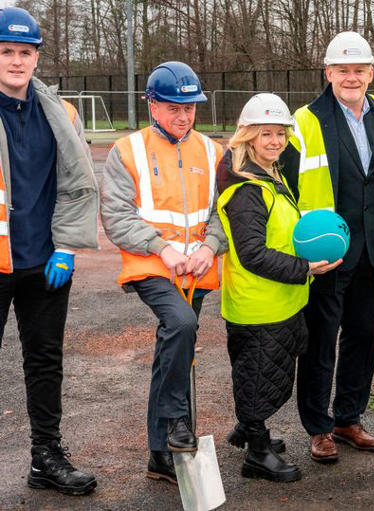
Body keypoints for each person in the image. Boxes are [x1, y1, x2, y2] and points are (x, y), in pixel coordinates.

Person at [280, 31, 374, 463]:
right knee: (320, 340)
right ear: (328, 73)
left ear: (371, 73)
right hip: (326, 252)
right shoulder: (305, 120)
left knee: (363, 336)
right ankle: (318, 426)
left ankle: (348, 417)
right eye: (343, 69)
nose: (351, 77)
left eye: (359, 69)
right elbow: (285, 185)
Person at [100, 61, 226, 485]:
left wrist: (210, 246)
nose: (183, 116)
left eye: (190, 107)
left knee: (175, 348)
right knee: (181, 323)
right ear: (152, 104)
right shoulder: (127, 151)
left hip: (197, 268)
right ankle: (176, 421)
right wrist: (163, 248)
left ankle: (160, 456)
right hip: (152, 265)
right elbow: (117, 216)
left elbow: (223, 213)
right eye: (173, 107)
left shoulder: (212, 151)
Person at [216, 93, 340, 482]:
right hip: (258, 306)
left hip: (282, 301)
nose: (275, 141)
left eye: (280, 134)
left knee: (269, 375)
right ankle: (256, 450)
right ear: (248, 136)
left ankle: (248, 427)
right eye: (265, 133)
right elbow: (252, 253)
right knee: (258, 377)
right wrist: (306, 268)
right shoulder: (247, 188)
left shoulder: (271, 174)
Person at [0, 6, 98, 496]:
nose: (16, 61)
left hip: (44, 261)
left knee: (45, 361)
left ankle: (46, 457)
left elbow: (78, 186)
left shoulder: (62, 113)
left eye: (25, 52)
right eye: (6, 52)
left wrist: (68, 247)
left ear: (37, 57)